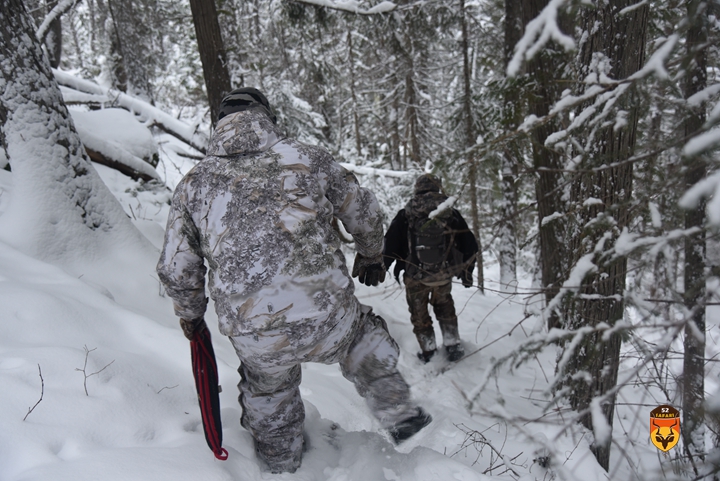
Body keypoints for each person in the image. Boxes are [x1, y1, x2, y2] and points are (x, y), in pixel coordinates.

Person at [156, 88, 431, 474]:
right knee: (359, 338)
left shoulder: (193, 185)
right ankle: (396, 407)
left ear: (219, 125)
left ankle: (281, 463)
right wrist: (371, 252)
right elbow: (363, 212)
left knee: (268, 389)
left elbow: (177, 267)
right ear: (267, 117)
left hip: (256, 331)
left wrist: (190, 315)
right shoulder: (307, 157)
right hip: (327, 313)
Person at [382, 174, 478, 363]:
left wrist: (383, 267)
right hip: (443, 275)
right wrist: (467, 273)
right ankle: (453, 347)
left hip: (415, 276)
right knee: (445, 308)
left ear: (417, 188)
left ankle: (429, 352)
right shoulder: (450, 213)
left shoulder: (406, 213)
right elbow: (470, 245)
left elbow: (390, 244)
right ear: (437, 188)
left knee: (420, 315)